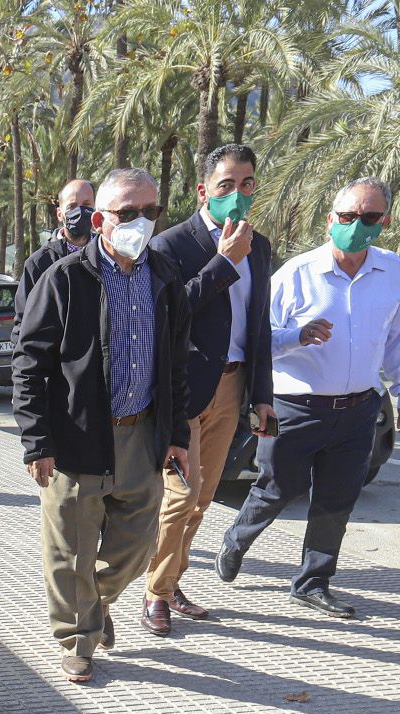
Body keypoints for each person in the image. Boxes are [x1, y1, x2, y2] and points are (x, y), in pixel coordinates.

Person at [13, 167, 191, 684]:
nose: (141, 222)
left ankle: (92, 604)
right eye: (128, 212)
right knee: (69, 550)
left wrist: (176, 435)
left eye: (151, 212)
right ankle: (77, 638)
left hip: (141, 434)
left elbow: (175, 365)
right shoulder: (64, 278)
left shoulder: (165, 278)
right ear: (100, 219)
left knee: (137, 545)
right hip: (76, 437)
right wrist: (36, 441)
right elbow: (30, 364)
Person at [215, 177, 400, 618]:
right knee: (278, 487)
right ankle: (236, 539)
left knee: (338, 497)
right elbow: (258, 339)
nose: (357, 225)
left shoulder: (393, 272)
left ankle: (313, 581)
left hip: (359, 407)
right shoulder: (297, 273)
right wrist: (298, 336)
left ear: (383, 220)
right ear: (331, 219)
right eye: (348, 217)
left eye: (369, 218)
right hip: (297, 406)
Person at [141, 144, 278, 635]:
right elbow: (169, 317)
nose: (236, 195)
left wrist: (261, 393)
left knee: (203, 498)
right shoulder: (170, 245)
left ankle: (171, 580)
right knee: (180, 495)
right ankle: (155, 593)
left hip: (232, 386)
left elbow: (257, 325)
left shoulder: (258, 246)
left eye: (246, 185)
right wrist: (223, 262)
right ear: (203, 190)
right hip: (183, 391)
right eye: (226, 185)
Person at [19, 178, 94, 302]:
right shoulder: (38, 263)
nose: (80, 211)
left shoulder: (109, 256)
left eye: (86, 205)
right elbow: (24, 317)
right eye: (72, 206)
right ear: (59, 214)